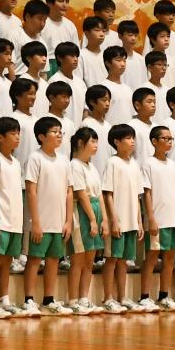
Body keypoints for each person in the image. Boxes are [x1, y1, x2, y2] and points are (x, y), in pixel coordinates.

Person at [24, 115, 71, 314]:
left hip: (59, 221)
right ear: (41, 136)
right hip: (41, 221)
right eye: (54, 132)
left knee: (53, 260)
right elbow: (31, 190)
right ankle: (28, 300)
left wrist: (68, 220)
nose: (59, 135)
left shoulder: (63, 160)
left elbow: (69, 191)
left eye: (60, 132)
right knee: (35, 259)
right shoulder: (35, 158)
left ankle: (48, 299)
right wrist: (36, 222)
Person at [0, 115, 28, 317]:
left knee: (7, 260)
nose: (17, 137)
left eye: (18, 132)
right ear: (0, 137)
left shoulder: (16, 163)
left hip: (14, 220)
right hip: (0, 219)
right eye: (12, 133)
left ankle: (4, 299)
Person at [142, 123, 175, 311]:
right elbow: (147, 193)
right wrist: (151, 218)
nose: (168, 142)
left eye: (170, 139)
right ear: (154, 141)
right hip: (158, 219)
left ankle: (164, 296)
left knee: (170, 259)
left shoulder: (174, 165)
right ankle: (144, 296)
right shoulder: (148, 164)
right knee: (152, 258)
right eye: (164, 138)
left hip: (173, 219)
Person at [103, 123, 144, 312]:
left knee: (123, 261)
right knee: (112, 259)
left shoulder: (134, 164)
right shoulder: (112, 163)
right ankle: (108, 298)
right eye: (128, 138)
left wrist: (139, 221)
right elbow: (108, 193)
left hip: (131, 222)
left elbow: (137, 195)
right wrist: (113, 219)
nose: (132, 141)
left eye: (133, 138)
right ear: (117, 142)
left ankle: (122, 297)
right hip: (118, 221)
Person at [65, 126, 106, 314]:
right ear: (81, 143)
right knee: (78, 259)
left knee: (90, 259)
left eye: (97, 141)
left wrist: (104, 219)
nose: (96, 145)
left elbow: (100, 196)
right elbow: (81, 194)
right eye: (92, 141)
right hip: (82, 213)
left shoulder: (92, 166)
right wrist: (91, 219)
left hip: (95, 209)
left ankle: (84, 298)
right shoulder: (74, 165)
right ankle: (73, 300)